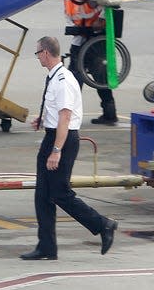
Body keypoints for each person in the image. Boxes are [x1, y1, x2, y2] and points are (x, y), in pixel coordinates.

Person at [20, 36, 117, 260]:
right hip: (52, 135)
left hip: (62, 140)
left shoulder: (63, 80)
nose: (37, 58)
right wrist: (43, 119)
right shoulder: (54, 77)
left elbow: (65, 118)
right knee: (42, 195)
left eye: (37, 53)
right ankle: (47, 247)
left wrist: (56, 150)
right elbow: (56, 113)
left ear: (45, 53)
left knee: (60, 193)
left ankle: (103, 225)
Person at [64, 0, 118, 125]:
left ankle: (69, 115)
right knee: (92, 78)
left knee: (90, 77)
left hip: (94, 40)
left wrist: (99, 22)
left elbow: (109, 8)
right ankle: (109, 114)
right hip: (83, 39)